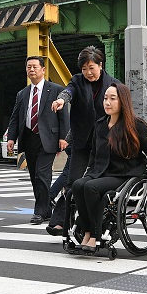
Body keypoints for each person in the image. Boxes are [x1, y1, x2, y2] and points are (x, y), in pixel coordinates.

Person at [71, 83, 147, 253]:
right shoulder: (100, 124)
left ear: (123, 101)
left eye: (113, 99)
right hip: (101, 172)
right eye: (105, 99)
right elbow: (94, 155)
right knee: (77, 185)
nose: (107, 103)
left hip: (125, 174)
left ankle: (97, 234)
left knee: (91, 188)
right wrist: (88, 173)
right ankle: (87, 231)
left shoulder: (135, 125)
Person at [46, 46, 120, 235]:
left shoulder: (113, 85)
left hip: (105, 142)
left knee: (97, 183)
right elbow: (68, 91)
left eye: (91, 68)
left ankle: (92, 222)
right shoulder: (78, 81)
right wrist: (61, 100)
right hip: (81, 141)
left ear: (101, 65)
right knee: (73, 182)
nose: (88, 73)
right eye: (84, 68)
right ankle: (61, 220)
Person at [7, 56, 68, 224]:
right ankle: (47, 209)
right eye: (28, 67)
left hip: (48, 138)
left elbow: (64, 116)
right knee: (35, 176)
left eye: (34, 67)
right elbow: (15, 117)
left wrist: (64, 137)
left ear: (43, 70)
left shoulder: (55, 90)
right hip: (29, 137)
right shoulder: (22, 93)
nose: (31, 70)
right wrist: (11, 138)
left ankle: (39, 212)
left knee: (43, 174)